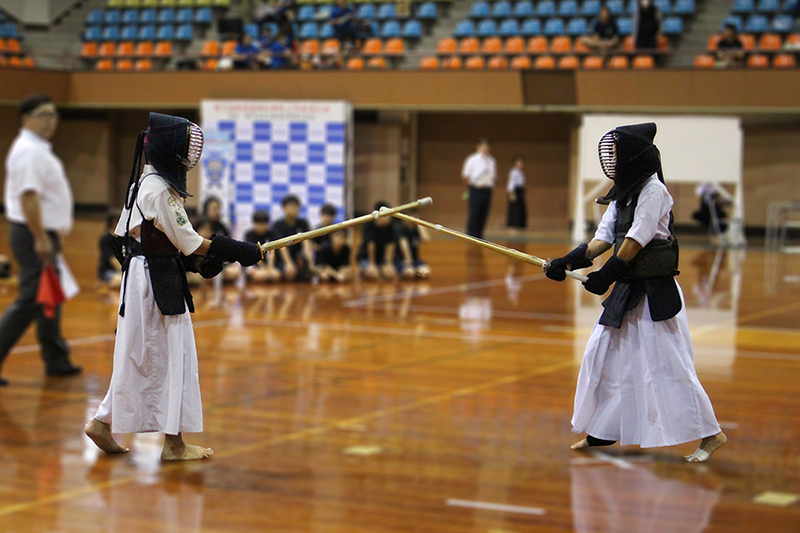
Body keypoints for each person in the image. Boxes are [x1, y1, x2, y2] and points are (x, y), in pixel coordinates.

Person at [84, 113, 263, 460]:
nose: (188, 160)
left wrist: (191, 261)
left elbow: (128, 238)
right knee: (172, 355)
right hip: (155, 283)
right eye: (184, 152)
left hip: (141, 278)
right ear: (170, 152)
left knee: (136, 354)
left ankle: (103, 422)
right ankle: (174, 444)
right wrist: (239, 251)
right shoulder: (159, 192)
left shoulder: (140, 186)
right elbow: (191, 241)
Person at [545, 122, 726, 463]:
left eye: (616, 152)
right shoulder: (622, 192)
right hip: (628, 290)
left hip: (654, 292)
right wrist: (567, 261)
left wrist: (606, 274)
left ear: (633, 156)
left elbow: (635, 241)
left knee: (668, 365)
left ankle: (712, 434)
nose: (612, 158)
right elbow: (603, 238)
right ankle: (602, 432)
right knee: (604, 356)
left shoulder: (654, 190)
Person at [0, 93, 80, 385]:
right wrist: (40, 237)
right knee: (32, 298)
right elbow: (29, 197)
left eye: (54, 115)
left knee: (50, 296)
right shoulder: (29, 151)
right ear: (26, 119)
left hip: (42, 233)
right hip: (32, 233)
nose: (50, 121)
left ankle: (56, 359)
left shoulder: (38, 149)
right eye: (44, 115)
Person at [271, 194, 314, 281]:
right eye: (291, 207)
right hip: (283, 259)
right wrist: (288, 263)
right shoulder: (278, 225)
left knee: (308, 274)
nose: (294, 210)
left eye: (296, 207)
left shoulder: (303, 223)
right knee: (288, 274)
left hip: (298, 257)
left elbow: (307, 243)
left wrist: (309, 262)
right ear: (284, 208)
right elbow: (281, 246)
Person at [462, 138, 496, 239]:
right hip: (475, 189)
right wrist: (470, 188)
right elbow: (466, 175)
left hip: (487, 189)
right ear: (478, 147)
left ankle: (480, 235)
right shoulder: (472, 159)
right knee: (474, 212)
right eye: (482, 146)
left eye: (486, 146)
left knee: (484, 212)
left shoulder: (492, 160)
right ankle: (471, 235)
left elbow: (492, 176)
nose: (484, 148)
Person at [200, 199, 240, 281]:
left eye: (219, 209)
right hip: (200, 264)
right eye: (214, 209)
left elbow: (229, 247)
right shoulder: (198, 224)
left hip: (220, 265)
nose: (217, 212)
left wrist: (231, 263)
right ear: (206, 209)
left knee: (235, 273)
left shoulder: (222, 227)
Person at [357, 201, 397, 280]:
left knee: (389, 274)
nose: (388, 218)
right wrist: (372, 265)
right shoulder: (369, 226)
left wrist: (388, 264)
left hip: (381, 258)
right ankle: (362, 270)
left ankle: (379, 269)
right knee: (373, 274)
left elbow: (391, 245)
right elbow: (371, 246)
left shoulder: (391, 227)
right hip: (366, 257)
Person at [244, 210, 281, 283]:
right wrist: (263, 268)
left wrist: (270, 268)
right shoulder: (249, 235)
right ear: (254, 224)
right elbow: (252, 254)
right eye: (259, 224)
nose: (261, 227)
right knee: (259, 275)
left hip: (269, 265)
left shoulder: (272, 233)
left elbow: (272, 252)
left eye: (264, 224)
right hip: (255, 264)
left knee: (276, 275)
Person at [98, 212, 123, 289]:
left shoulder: (122, 237)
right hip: (108, 271)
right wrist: (123, 272)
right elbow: (112, 259)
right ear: (114, 222)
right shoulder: (106, 238)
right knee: (122, 281)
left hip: (120, 270)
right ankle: (103, 282)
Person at [506, 155, 527, 231]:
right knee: (514, 209)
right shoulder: (513, 172)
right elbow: (511, 183)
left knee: (520, 209)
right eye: (519, 163)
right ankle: (512, 226)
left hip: (520, 191)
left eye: (522, 163)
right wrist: (511, 193)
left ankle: (519, 225)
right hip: (515, 191)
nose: (520, 164)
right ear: (515, 163)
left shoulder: (520, 172)